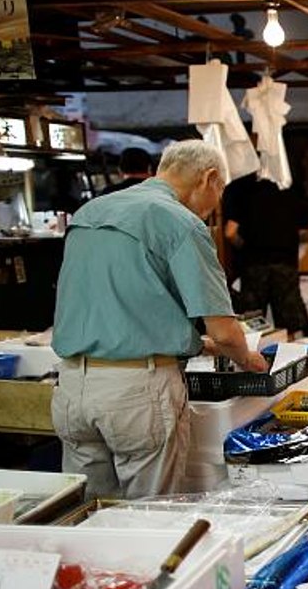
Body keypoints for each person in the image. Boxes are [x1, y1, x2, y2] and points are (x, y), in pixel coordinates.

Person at [51, 140, 268, 500]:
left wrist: (200, 344)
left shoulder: (90, 211)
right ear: (209, 178)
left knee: (87, 517)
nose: (217, 204)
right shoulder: (180, 222)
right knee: (149, 516)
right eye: (221, 191)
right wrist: (246, 358)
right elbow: (224, 330)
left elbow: (126, 305)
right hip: (136, 392)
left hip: (72, 389)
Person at [222, 175, 308, 335]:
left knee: (251, 326)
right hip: (285, 265)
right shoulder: (290, 186)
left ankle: (253, 359)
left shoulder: (242, 187)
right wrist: (291, 238)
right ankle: (293, 357)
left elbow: (230, 233)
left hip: (253, 266)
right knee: (291, 327)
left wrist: (245, 246)